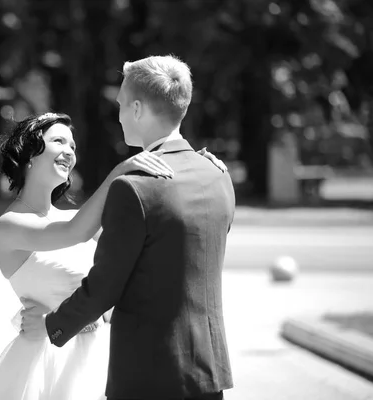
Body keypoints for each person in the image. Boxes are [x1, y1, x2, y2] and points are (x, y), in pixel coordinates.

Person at [21, 54, 235, 400]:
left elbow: (105, 285)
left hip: (148, 376)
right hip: (209, 374)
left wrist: (50, 326)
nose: (118, 115)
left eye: (121, 105)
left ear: (137, 110)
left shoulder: (133, 187)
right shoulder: (219, 175)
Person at [0, 110, 227, 400]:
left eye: (73, 146)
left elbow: (137, 246)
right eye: (59, 141)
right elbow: (74, 232)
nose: (69, 152)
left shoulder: (79, 220)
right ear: (30, 153)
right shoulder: (10, 226)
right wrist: (121, 171)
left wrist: (200, 170)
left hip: (101, 356)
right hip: (48, 363)